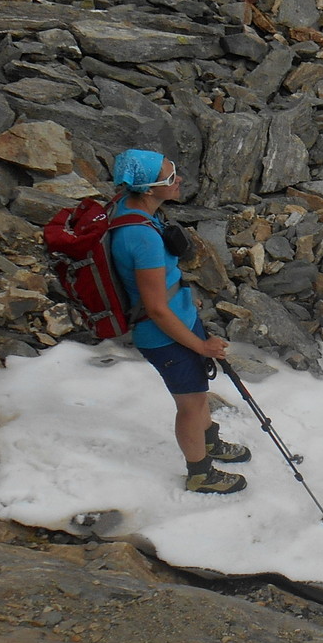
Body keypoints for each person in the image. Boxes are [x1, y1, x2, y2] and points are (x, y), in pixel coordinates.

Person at [108, 148, 250, 494]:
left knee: (198, 395)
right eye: (170, 178)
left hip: (180, 320)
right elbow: (156, 308)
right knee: (189, 403)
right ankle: (200, 472)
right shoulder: (141, 238)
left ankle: (210, 442)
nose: (179, 180)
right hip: (165, 335)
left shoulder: (131, 207)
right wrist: (201, 345)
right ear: (148, 188)